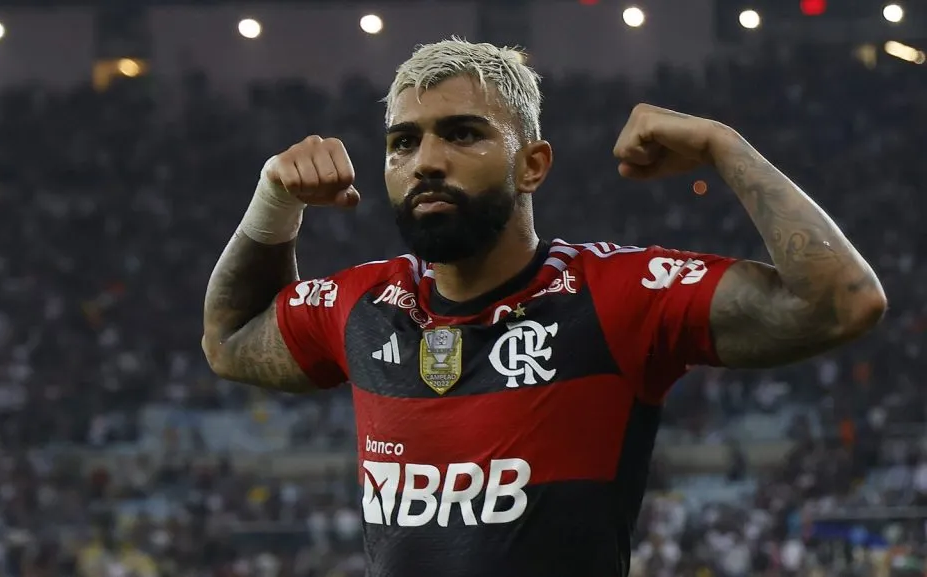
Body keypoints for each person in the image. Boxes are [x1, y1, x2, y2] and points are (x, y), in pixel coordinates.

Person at [201, 38, 886, 577]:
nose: (425, 161)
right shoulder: (362, 303)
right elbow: (228, 339)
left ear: (533, 164)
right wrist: (274, 201)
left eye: (462, 133)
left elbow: (841, 302)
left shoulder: (616, 294)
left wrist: (723, 146)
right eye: (403, 141)